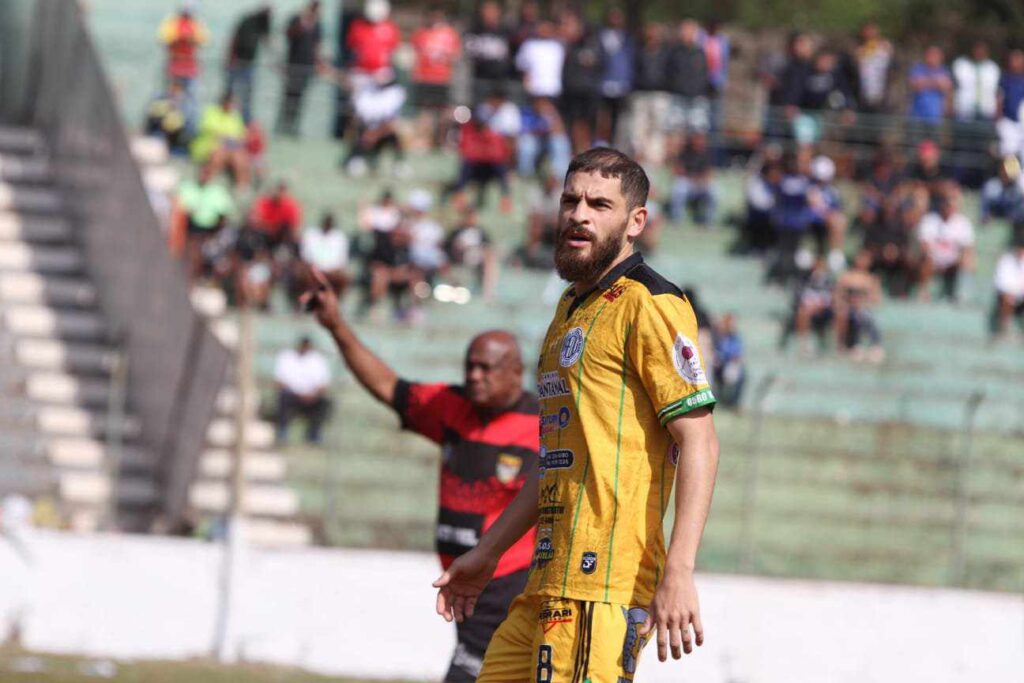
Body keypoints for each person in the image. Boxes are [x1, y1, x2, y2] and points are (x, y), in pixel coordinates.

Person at [433, 148, 720, 678]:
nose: (580, 214)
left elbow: (700, 440)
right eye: (571, 200)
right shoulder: (570, 307)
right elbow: (555, 460)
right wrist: (490, 551)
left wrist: (679, 569)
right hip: (544, 580)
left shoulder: (651, 303)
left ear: (636, 222)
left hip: (602, 587)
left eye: (599, 204)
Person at [301, 272, 540, 683]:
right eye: (470, 367)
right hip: (463, 586)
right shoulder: (451, 406)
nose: (475, 376)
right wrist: (336, 325)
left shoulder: (541, 425)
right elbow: (387, 386)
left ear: (516, 372)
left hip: (506, 585)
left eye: (486, 368)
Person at [409, 8, 461, 149]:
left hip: (442, 79)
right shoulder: (421, 34)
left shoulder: (450, 35)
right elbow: (414, 55)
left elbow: (456, 56)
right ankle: (423, 142)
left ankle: (441, 141)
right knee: (425, 113)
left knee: (444, 113)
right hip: (425, 78)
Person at [176, 165, 235, 282]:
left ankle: (192, 277)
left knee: (198, 251)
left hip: (208, 231)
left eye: (208, 173)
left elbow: (224, 217)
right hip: (187, 225)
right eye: (203, 172)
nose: (205, 176)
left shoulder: (218, 193)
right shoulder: (187, 187)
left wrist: (213, 234)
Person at [916, 184, 975, 301]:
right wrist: (937, 261)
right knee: (926, 260)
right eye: (947, 202)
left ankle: (960, 295)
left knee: (967, 261)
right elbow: (924, 247)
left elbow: (967, 249)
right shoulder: (929, 220)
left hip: (953, 262)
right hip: (933, 261)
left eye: (953, 202)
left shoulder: (963, 223)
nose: (950, 206)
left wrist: (956, 260)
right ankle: (923, 292)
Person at [559, 12, 604, 153]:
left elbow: (601, 66)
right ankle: (574, 153)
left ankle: (586, 152)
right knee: (571, 126)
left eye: (571, 25)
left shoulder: (594, 44)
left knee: (586, 124)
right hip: (567, 94)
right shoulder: (561, 45)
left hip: (587, 94)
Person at [273, 337, 332, 445]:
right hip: (292, 395)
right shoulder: (287, 357)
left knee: (325, 402)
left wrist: (312, 395)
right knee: (283, 397)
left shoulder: (317, 360)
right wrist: (299, 394)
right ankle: (282, 432)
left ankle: (314, 435)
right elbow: (280, 383)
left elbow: (323, 386)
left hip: (312, 397)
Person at [627, 23, 671, 164]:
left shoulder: (666, 53)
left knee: (657, 128)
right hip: (641, 93)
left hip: (659, 94)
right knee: (638, 127)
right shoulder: (639, 51)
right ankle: (637, 156)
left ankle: (655, 158)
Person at [277, 1, 323, 136]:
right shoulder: (297, 20)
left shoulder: (317, 25)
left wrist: (318, 63)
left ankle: (293, 128)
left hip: (306, 68)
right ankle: (283, 126)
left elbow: (317, 46)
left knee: (300, 100)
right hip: (293, 66)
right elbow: (288, 35)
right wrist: (303, 23)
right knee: (288, 98)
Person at [665, 19, 710, 156]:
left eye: (690, 31)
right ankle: (674, 164)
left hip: (697, 98)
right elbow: (668, 73)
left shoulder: (700, 53)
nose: (687, 34)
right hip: (678, 97)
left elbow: (704, 75)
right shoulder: (674, 52)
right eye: (684, 31)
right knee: (675, 133)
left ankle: (698, 164)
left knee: (698, 133)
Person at [157, 1, 209, 120]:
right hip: (174, 68)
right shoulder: (172, 23)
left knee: (191, 100)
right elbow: (163, 38)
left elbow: (204, 40)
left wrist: (191, 39)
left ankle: (189, 125)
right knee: (171, 100)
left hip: (190, 69)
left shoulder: (196, 24)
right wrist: (179, 38)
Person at [191, 92, 250, 190]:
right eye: (231, 103)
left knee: (240, 158)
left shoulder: (235, 116)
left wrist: (232, 139)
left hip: (229, 150)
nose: (233, 106)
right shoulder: (211, 112)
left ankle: (241, 188)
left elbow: (240, 135)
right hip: (207, 148)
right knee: (219, 154)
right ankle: (206, 184)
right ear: (225, 102)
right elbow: (211, 130)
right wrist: (226, 137)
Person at [834, 251, 884, 362]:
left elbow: (876, 300)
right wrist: (848, 303)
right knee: (856, 315)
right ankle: (856, 345)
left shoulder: (871, 279)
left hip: (864, 309)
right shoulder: (846, 276)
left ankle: (874, 346)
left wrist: (862, 303)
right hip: (848, 309)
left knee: (867, 315)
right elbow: (838, 295)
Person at [226, 5, 272, 123]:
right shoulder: (248, 21)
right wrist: (230, 60)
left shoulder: (262, 23)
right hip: (237, 62)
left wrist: (275, 61)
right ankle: (228, 118)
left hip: (249, 64)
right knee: (231, 93)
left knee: (246, 96)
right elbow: (234, 39)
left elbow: (267, 40)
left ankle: (245, 121)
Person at [596, 7, 634, 147]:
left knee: (619, 119)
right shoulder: (600, 36)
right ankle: (601, 143)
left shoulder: (627, 37)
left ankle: (615, 145)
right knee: (603, 117)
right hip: (603, 84)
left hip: (622, 86)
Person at [464, 1, 512, 104]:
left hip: (499, 80)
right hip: (480, 79)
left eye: (492, 11)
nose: (489, 14)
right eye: (487, 10)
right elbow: (470, 53)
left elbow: (509, 53)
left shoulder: (505, 31)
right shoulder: (475, 30)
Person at [668, 132, 716, 227]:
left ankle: (708, 222)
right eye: (696, 139)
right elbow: (677, 170)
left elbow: (708, 173)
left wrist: (701, 179)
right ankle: (676, 220)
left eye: (701, 139)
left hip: (700, 183)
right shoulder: (685, 151)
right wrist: (689, 176)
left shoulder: (706, 153)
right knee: (679, 189)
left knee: (714, 192)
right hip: (686, 181)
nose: (698, 141)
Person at [300, 212, 350, 297]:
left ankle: (334, 302)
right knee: (304, 275)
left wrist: (331, 271)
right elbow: (306, 257)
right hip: (314, 270)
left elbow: (341, 261)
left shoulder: (339, 237)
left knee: (345, 278)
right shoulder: (311, 235)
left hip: (332, 271)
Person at [908, 46, 952, 139]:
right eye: (930, 55)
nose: (932, 58)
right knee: (913, 145)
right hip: (917, 116)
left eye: (935, 55)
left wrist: (925, 82)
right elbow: (916, 85)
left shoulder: (944, 71)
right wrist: (936, 82)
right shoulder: (918, 69)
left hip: (935, 117)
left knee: (934, 148)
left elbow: (946, 86)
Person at [515, 20, 565, 101]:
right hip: (534, 89)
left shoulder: (558, 46)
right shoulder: (529, 45)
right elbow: (522, 66)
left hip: (553, 89)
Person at [854, 22, 894, 114]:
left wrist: (889, 52)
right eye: (867, 31)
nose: (869, 34)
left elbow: (893, 67)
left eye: (872, 31)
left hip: (881, 97)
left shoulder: (885, 47)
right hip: (863, 96)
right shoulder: (859, 50)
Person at [992, 235, 1024, 337]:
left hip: (1020, 296)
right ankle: (1003, 329)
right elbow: (1001, 284)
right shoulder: (1006, 260)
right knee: (1006, 299)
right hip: (1007, 295)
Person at [712, 313, 744, 408]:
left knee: (741, 374)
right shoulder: (718, 335)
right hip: (719, 363)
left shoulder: (735, 336)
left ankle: (734, 402)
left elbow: (737, 352)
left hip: (729, 363)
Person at [996, 49, 1024, 158]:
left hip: (1022, 123)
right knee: (1009, 153)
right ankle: (1012, 174)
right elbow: (999, 98)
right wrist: (999, 119)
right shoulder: (1005, 79)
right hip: (1009, 122)